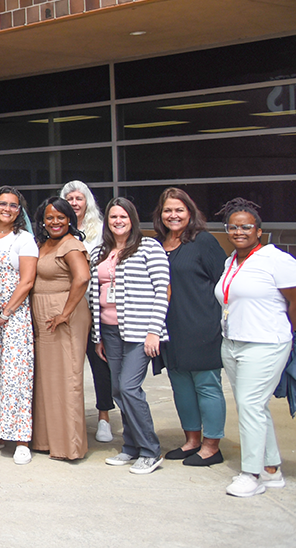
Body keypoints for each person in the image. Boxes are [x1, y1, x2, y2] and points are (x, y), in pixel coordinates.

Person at [214, 199, 296, 497]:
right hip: (233, 343)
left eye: (246, 226)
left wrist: (290, 333)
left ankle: (251, 474)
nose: (239, 231)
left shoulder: (276, 259)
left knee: (250, 406)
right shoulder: (231, 261)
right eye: (233, 227)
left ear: (258, 231)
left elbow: (294, 300)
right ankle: (271, 469)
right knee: (254, 408)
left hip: (265, 343)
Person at [90, 197, 170, 476]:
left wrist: (154, 332)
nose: (118, 221)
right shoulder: (101, 251)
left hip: (139, 331)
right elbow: (95, 296)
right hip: (110, 332)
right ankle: (132, 446)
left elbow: (163, 290)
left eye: (123, 216)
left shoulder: (148, 247)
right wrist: (98, 335)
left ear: (132, 219)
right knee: (115, 389)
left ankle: (150, 450)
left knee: (129, 387)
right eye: (113, 217)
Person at [154, 187, 227, 466]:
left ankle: (212, 446)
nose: (173, 215)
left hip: (201, 325)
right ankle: (192, 441)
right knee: (181, 386)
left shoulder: (203, 241)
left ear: (190, 212)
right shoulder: (158, 244)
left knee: (207, 385)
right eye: (168, 210)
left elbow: (222, 283)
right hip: (170, 328)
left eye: (179, 210)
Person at [29, 196, 93, 462]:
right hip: (43, 314)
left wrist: (64, 313)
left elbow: (82, 278)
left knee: (66, 378)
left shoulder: (71, 245)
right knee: (46, 379)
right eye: (50, 217)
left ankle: (70, 445)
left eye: (60, 217)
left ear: (70, 219)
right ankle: (45, 440)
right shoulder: (44, 244)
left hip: (64, 314)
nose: (55, 222)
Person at [0, 189, 37, 462]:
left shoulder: (24, 239)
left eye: (14, 205)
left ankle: (21, 439)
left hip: (14, 317)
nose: (8, 209)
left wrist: (5, 313)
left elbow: (26, 281)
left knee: (15, 378)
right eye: (3, 203)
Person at [62, 178, 113, 442]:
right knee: (67, 365)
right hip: (67, 305)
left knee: (99, 362)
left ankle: (104, 416)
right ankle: (69, 416)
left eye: (79, 198)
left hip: (95, 303)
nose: (74, 203)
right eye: (69, 199)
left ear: (87, 202)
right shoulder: (58, 228)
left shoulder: (101, 230)